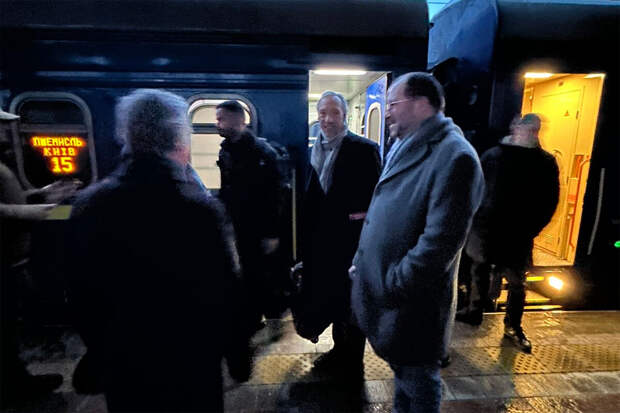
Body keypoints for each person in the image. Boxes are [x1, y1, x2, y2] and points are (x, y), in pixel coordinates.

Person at [66, 89, 253, 412]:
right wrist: (238, 357)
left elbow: (80, 295)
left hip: (125, 363)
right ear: (178, 139)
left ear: (127, 136)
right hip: (191, 362)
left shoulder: (89, 205)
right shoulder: (200, 210)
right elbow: (226, 293)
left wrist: (100, 352)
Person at [349, 72, 484, 413]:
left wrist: (392, 283)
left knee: (419, 380)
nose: (387, 112)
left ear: (421, 104)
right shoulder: (407, 144)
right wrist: (365, 263)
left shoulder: (456, 157)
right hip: (393, 293)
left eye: (393, 104)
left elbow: (439, 244)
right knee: (404, 377)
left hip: (414, 301)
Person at [457, 113, 559, 353]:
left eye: (535, 130)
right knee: (480, 271)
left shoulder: (540, 161)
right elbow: (475, 188)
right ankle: (476, 311)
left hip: (517, 233)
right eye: (528, 129)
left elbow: (549, 201)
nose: (531, 134)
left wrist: (532, 229)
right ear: (516, 128)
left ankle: (512, 325)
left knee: (516, 281)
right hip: (488, 229)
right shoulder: (496, 156)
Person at [296, 91, 381, 376]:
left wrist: (361, 218)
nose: (327, 119)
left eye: (334, 113)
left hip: (351, 241)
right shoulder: (312, 150)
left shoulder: (364, 149)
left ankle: (353, 359)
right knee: (333, 296)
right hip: (322, 242)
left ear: (344, 116)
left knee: (352, 301)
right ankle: (338, 349)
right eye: (322, 113)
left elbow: (376, 197)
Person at [0, 109, 78, 408]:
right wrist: (45, 211)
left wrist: (42, 194)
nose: (7, 133)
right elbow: (7, 210)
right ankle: (13, 388)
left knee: (8, 325)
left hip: (13, 258)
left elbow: (12, 199)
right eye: (1, 127)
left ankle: (17, 379)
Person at [216, 100, 284, 329]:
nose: (217, 124)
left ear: (238, 120)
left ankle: (269, 317)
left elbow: (275, 196)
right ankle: (251, 318)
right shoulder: (226, 150)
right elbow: (226, 188)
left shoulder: (263, 153)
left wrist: (272, 233)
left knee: (261, 272)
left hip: (259, 225)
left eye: (221, 119)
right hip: (236, 223)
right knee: (244, 271)